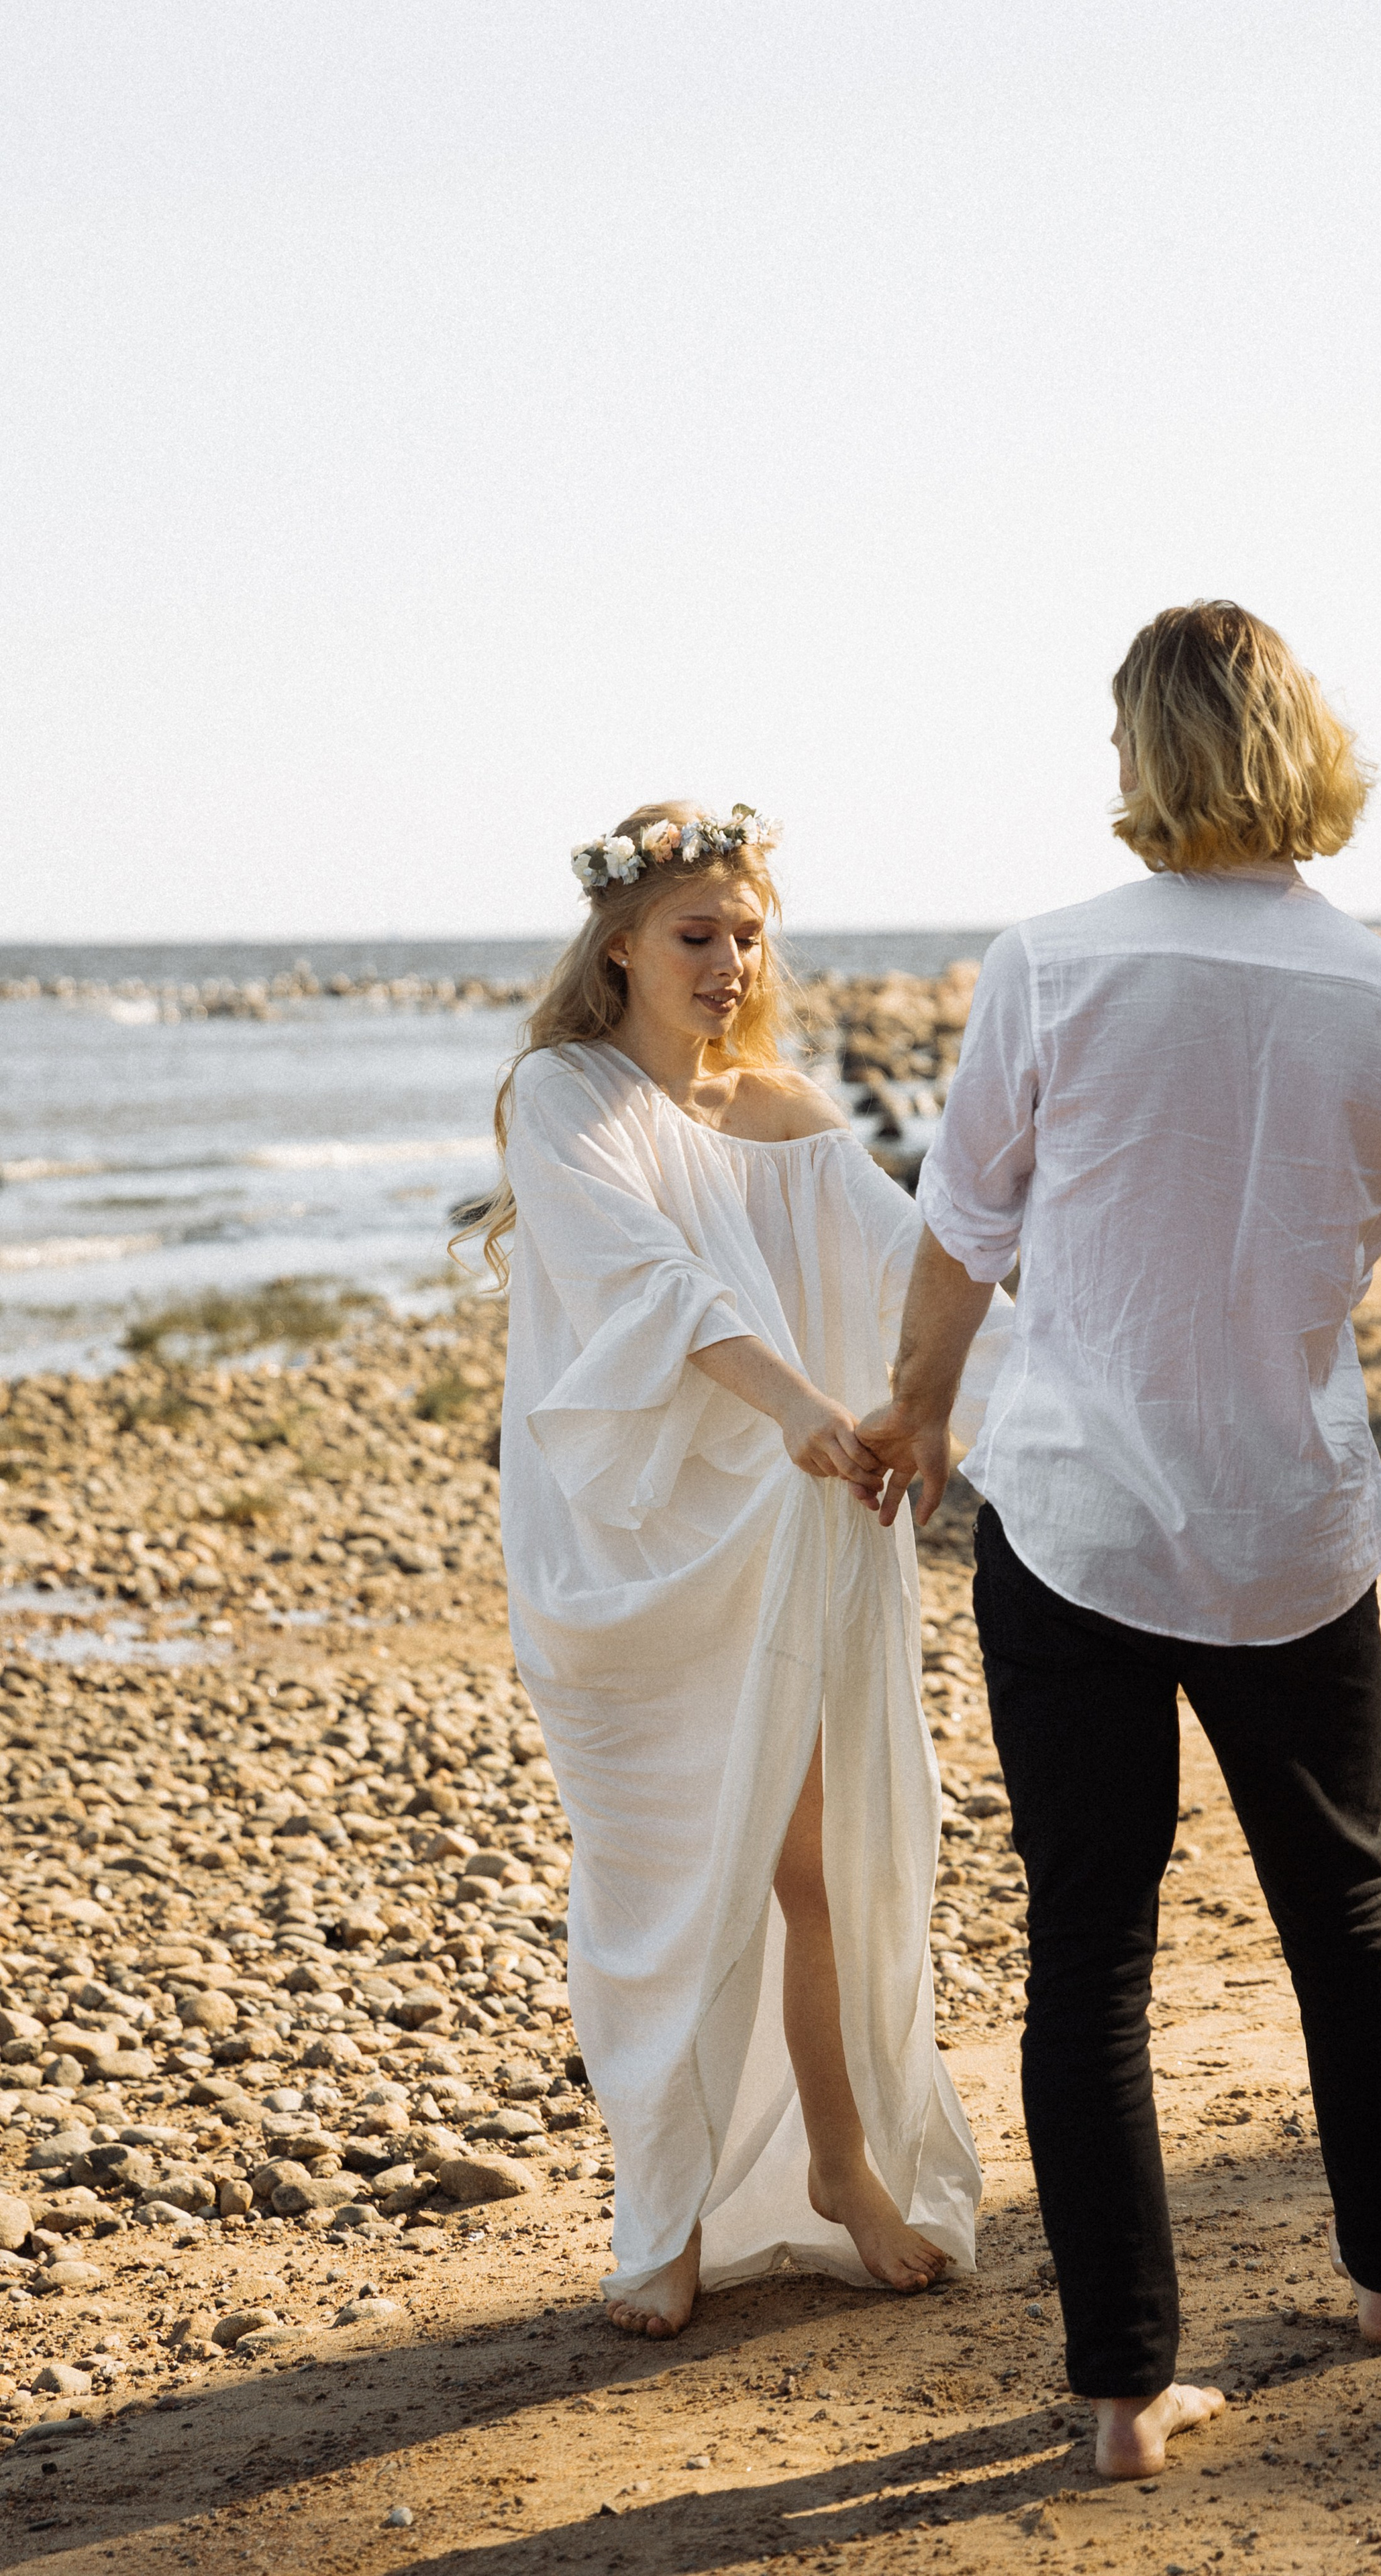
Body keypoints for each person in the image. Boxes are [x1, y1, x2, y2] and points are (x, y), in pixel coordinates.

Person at [860, 603, 1381, 2477]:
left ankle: (1121, 2392)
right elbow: (1326, 1258)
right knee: (1341, 1910)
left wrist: (917, 1411)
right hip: (1288, 1511)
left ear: (1143, 753)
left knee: (1091, 1950)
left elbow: (962, 1222)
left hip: (1084, 1512)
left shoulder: (1050, 964)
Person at [459, 801, 1010, 2339]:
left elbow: (914, 1257)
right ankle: (670, 2204)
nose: (726, 960)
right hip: (634, 1552)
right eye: (695, 934)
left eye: (747, 933)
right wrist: (805, 1413)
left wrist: (956, 1399)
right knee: (670, 1870)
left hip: (794, 1522)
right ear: (620, 946)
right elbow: (653, 1285)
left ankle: (839, 2166)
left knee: (818, 1860)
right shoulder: (559, 1095)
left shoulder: (779, 1109)